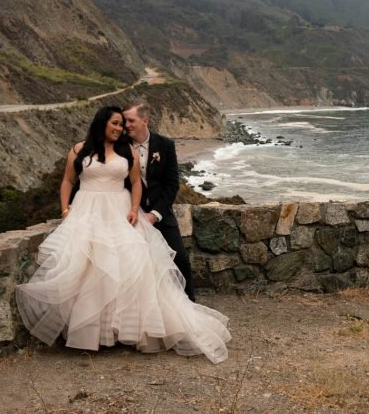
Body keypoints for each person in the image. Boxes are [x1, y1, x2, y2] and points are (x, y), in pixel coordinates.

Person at [15, 106, 229, 364]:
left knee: (129, 268)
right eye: (115, 123)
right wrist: (65, 209)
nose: (120, 128)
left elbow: (137, 182)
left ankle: (127, 330)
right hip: (88, 211)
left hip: (120, 210)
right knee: (89, 268)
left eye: (123, 124)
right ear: (102, 123)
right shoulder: (78, 149)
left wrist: (133, 209)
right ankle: (92, 334)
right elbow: (68, 181)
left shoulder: (126, 150)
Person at [122, 101, 196, 301]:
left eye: (131, 120)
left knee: (180, 259)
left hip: (160, 214)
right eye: (124, 121)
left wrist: (155, 214)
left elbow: (172, 185)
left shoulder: (165, 145)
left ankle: (190, 305)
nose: (126, 125)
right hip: (130, 216)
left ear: (144, 121)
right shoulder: (119, 146)